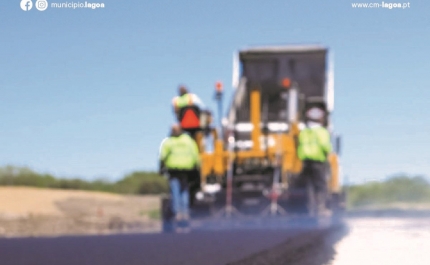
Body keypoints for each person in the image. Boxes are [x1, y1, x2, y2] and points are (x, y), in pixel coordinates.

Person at [159, 124, 200, 231]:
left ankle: (177, 213)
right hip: (186, 169)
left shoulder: (169, 141)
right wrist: (197, 167)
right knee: (184, 190)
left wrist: (161, 167)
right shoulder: (188, 140)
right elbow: (195, 154)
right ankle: (184, 213)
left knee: (175, 191)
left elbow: (163, 155)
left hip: (173, 169)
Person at [297, 107, 332, 217]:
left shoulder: (304, 132)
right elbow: (325, 146)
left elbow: (299, 145)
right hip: (318, 161)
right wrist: (328, 153)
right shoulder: (322, 131)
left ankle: (307, 209)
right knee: (320, 186)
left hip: (305, 162)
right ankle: (321, 208)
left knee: (307, 187)